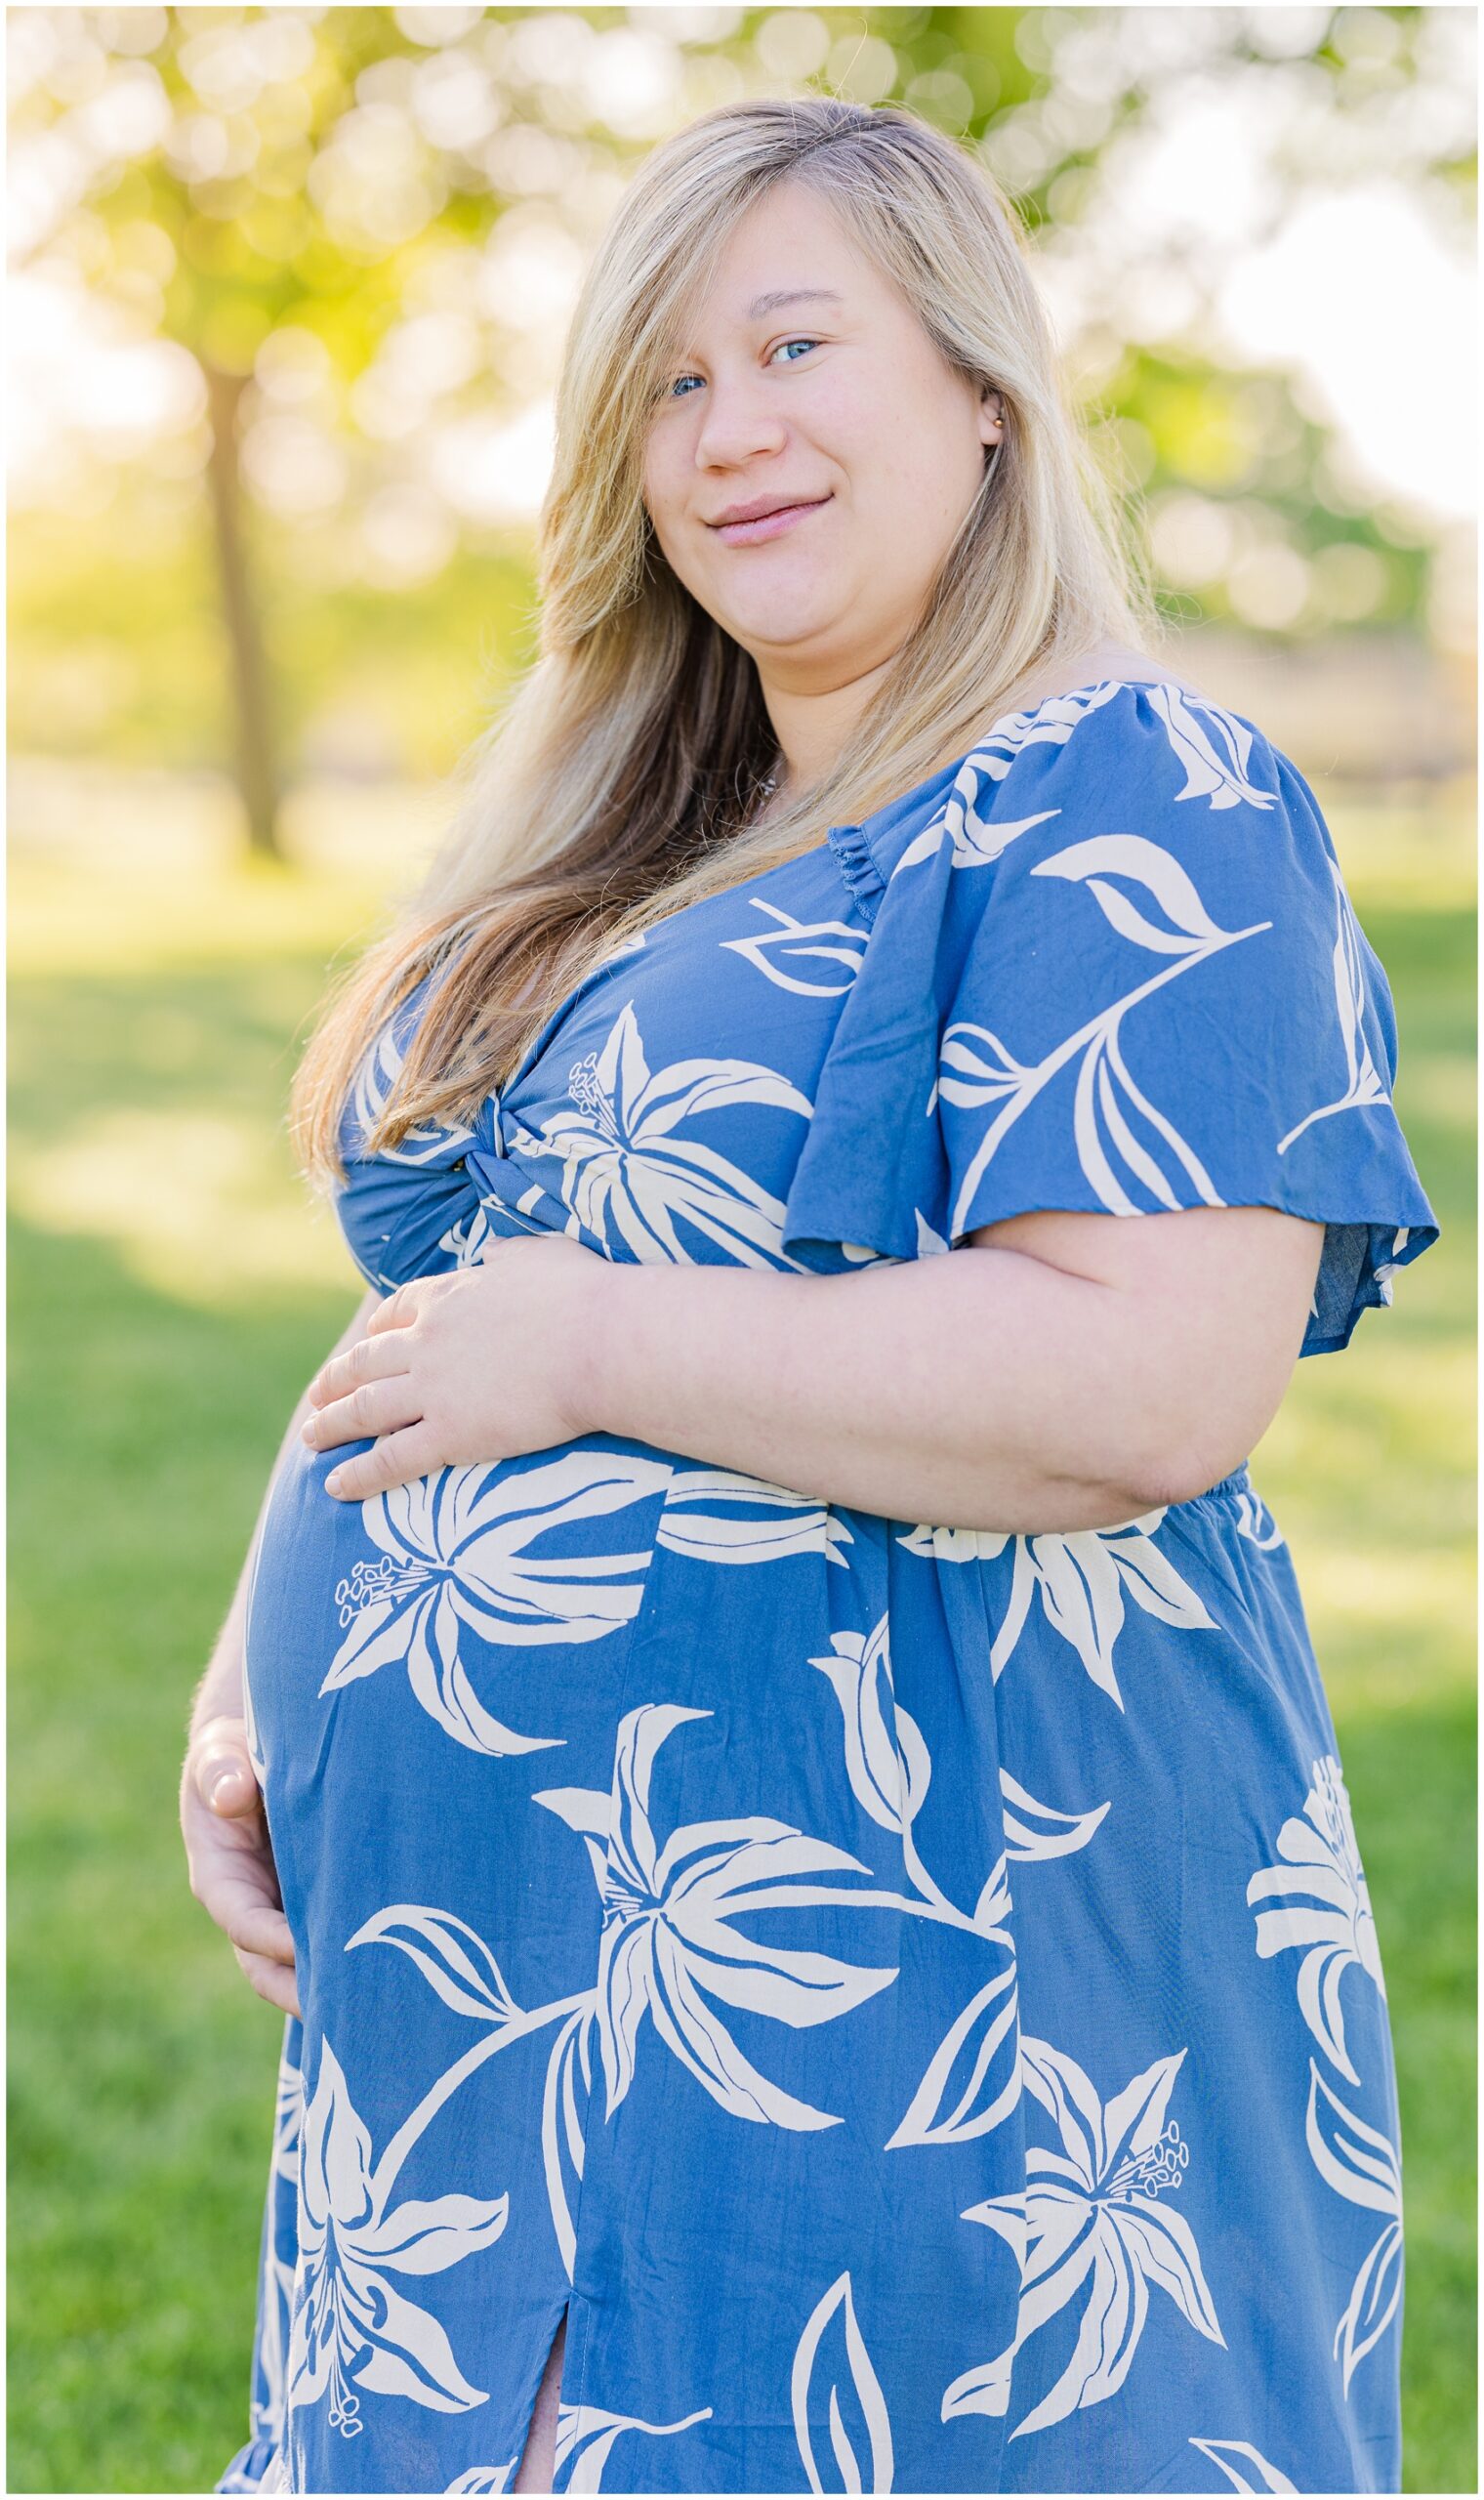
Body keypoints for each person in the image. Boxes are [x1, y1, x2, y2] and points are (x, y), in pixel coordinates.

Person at [182, 97, 1438, 2498]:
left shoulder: (1131, 793)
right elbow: (465, 1290)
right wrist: (261, 1671)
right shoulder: (633, 827)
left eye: (790, 345)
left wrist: (595, 1344)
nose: (724, 429)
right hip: (499, 2007)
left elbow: (1157, 1378)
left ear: (980, 384)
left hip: (914, 1974)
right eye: (664, 378)